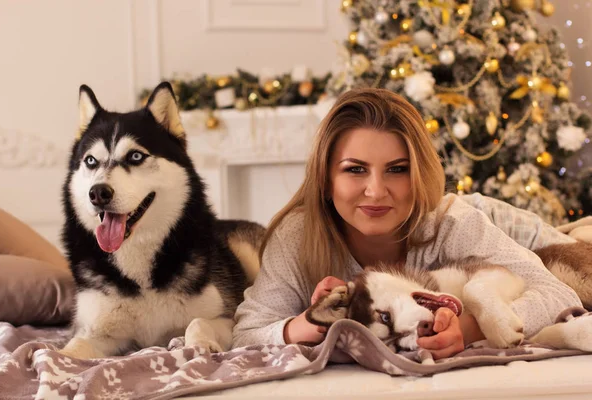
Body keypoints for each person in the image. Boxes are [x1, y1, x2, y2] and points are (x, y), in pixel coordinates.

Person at [231, 87, 582, 359]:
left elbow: (558, 292)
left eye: (397, 170)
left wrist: (470, 327)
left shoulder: (452, 224)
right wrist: (311, 323)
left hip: (503, 224)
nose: (376, 191)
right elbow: (248, 333)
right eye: (355, 169)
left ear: (418, 174)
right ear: (325, 179)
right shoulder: (297, 236)